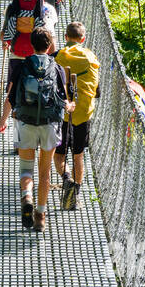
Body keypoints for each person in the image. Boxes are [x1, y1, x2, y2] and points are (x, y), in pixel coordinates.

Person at [0, 28, 74, 232]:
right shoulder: (57, 68)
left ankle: (27, 198)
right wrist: (69, 107)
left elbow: (10, 98)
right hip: (49, 125)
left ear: (31, 45)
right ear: (49, 47)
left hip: (26, 123)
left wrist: (2, 120)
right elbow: (63, 100)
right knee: (45, 172)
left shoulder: (22, 66)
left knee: (25, 169)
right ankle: (40, 216)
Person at [53, 22, 101, 211]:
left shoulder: (57, 57)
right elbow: (97, 90)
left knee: (59, 155)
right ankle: (76, 194)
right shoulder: (91, 58)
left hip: (62, 114)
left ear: (65, 37)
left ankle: (67, 178)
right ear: (83, 39)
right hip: (82, 113)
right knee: (78, 154)